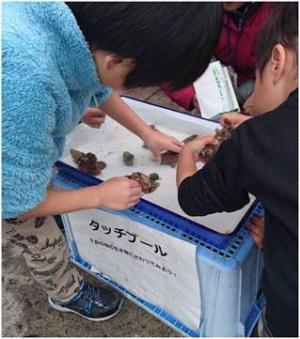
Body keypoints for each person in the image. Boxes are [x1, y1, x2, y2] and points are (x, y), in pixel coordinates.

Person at [2, 2, 223, 322]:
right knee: (38, 234)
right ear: (114, 60)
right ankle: (65, 291)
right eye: (131, 82)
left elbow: (98, 82)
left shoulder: (74, 27)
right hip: (9, 182)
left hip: (15, 131)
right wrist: (99, 196)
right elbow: (15, 201)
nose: (125, 89)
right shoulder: (25, 85)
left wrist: (146, 133)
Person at [176, 3, 298, 337]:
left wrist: (188, 151)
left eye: (257, 78)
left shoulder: (256, 142)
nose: (251, 101)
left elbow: (193, 198)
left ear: (277, 61)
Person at [160, 2, 274, 113]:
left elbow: (289, 76)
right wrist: (192, 97)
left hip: (260, 92)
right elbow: (165, 56)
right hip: (212, 88)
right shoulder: (192, 8)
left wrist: (263, 99)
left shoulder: (283, 12)